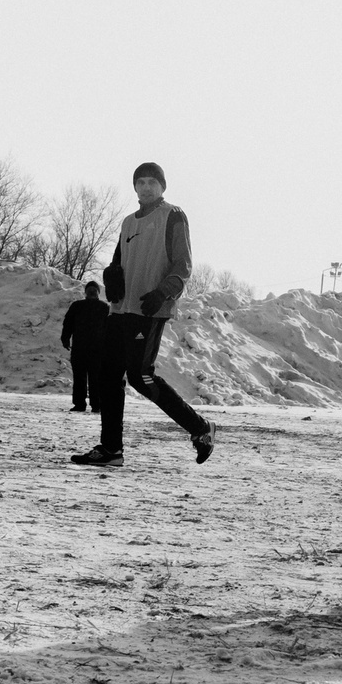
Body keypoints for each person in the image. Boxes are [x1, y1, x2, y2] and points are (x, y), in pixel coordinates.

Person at [72, 163, 217, 468]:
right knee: (108, 376)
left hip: (150, 310)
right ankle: (111, 450)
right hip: (121, 310)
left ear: (162, 186)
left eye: (153, 182)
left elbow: (183, 265)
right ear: (135, 187)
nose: (147, 187)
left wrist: (163, 293)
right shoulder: (127, 223)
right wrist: (111, 278)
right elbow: (116, 262)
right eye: (141, 182)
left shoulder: (173, 215)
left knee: (141, 376)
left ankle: (201, 429)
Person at [59, 280, 110, 413]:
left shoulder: (100, 307)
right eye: (90, 290)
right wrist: (65, 338)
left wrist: (65, 338)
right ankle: (91, 404)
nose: (92, 292)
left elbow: (68, 324)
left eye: (93, 290)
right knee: (90, 377)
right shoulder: (102, 307)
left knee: (88, 377)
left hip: (89, 349)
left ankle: (87, 404)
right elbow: (68, 323)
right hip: (87, 349)